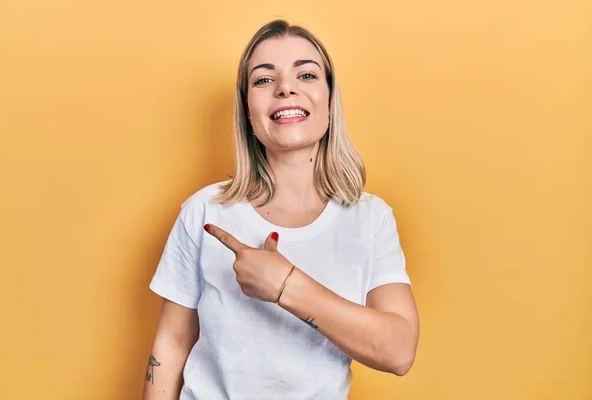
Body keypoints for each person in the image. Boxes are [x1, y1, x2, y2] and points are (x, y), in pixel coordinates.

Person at [142, 19, 419, 400]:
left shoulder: (370, 218)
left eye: (306, 75)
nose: (285, 88)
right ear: (248, 112)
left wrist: (286, 285)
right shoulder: (204, 212)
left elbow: (399, 352)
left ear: (329, 99)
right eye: (262, 79)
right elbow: (171, 345)